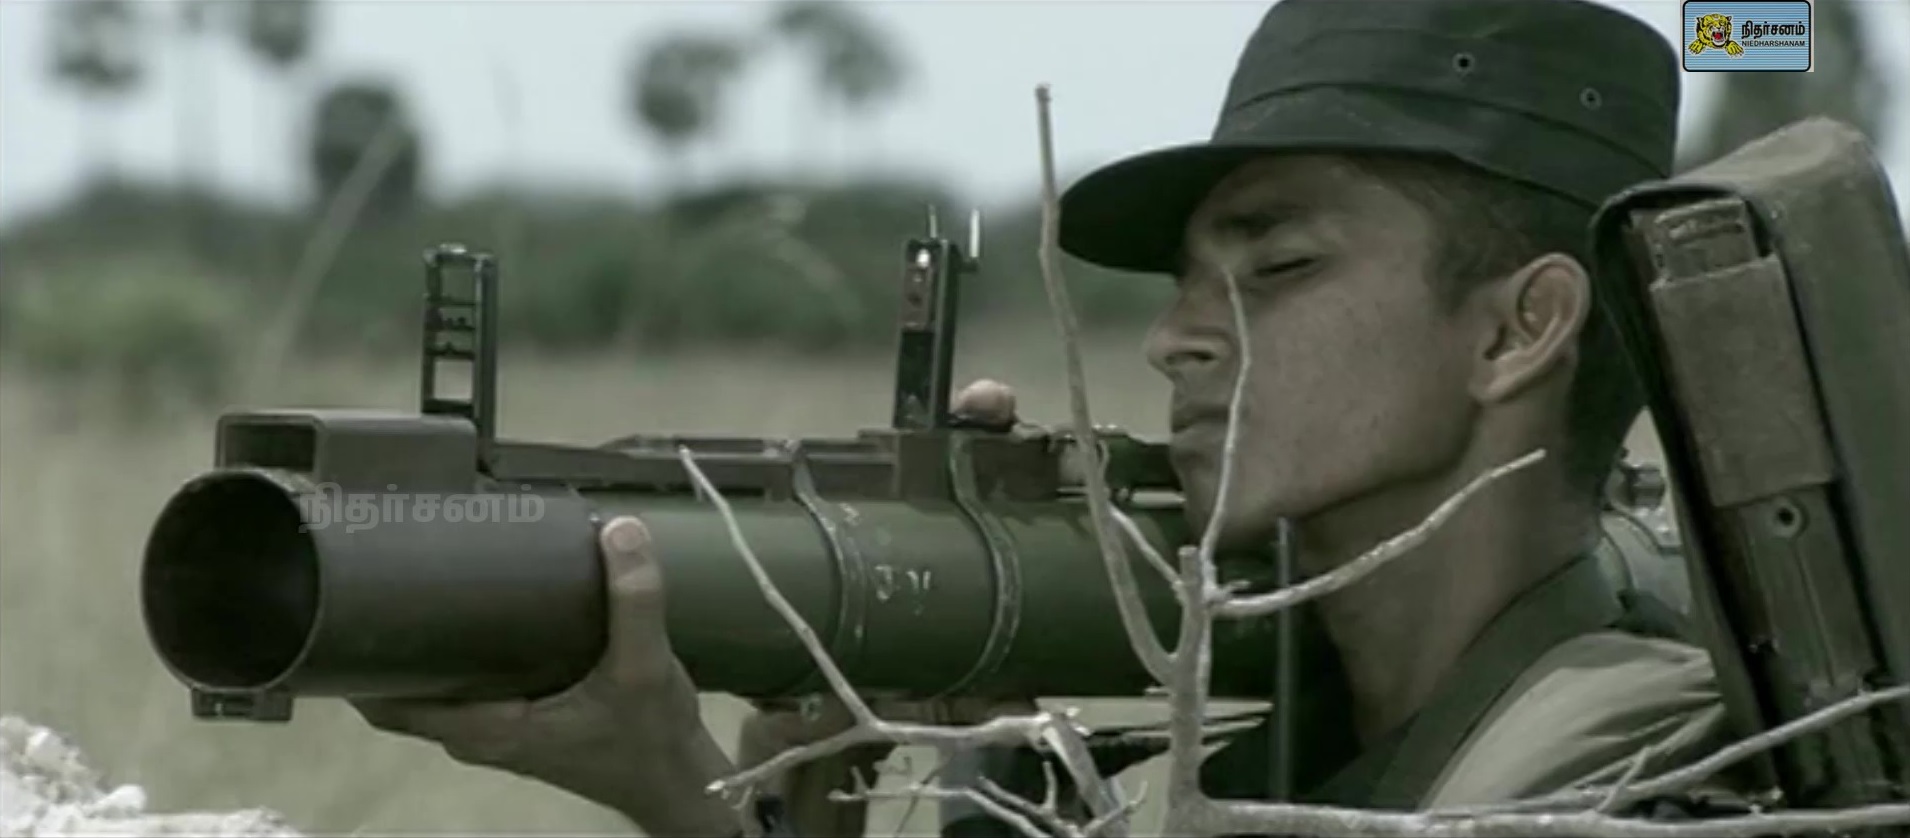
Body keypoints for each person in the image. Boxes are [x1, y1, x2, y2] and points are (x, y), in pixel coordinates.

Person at [352, 0, 1744, 833]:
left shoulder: (1634, 768)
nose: (1174, 337)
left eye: (1279, 268)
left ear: (1517, 329)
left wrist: (677, 795)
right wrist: (814, 784)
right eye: (1186, 280)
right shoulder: (1289, 750)